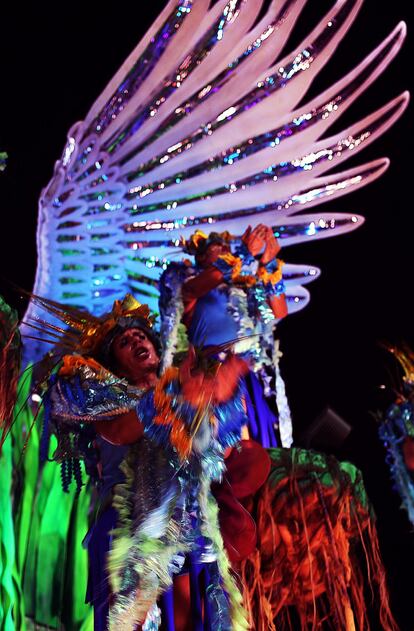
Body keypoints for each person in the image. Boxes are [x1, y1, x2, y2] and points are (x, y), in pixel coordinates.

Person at [44, 294, 258, 631]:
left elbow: (222, 453)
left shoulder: (183, 387)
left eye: (140, 335)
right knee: (131, 616)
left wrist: (217, 401)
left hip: (186, 520)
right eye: (125, 343)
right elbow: (120, 431)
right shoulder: (110, 398)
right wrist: (174, 396)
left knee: (190, 616)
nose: (136, 341)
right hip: (128, 523)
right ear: (114, 363)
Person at [159, 224, 288, 447]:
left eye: (227, 247)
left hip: (248, 376)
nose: (225, 250)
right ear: (199, 256)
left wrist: (269, 262)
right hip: (212, 376)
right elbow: (191, 291)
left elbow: (278, 312)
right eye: (216, 248)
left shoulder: (243, 288)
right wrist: (244, 254)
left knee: (260, 449)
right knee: (230, 447)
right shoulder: (186, 281)